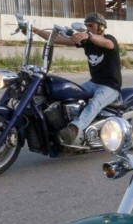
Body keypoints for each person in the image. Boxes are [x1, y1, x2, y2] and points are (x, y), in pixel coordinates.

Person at [31, 12, 122, 146]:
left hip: (110, 86)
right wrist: (35, 30)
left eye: (91, 25)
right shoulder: (86, 42)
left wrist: (89, 35)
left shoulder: (109, 39)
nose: (88, 28)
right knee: (70, 93)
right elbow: (56, 39)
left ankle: (74, 129)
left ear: (101, 28)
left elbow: (107, 43)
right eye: (86, 26)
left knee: (95, 103)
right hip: (94, 82)